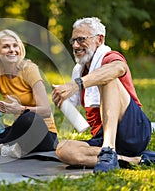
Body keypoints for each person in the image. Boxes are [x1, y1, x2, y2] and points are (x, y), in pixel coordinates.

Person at [51, 17, 152, 173]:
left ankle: (108, 149)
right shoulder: (80, 70)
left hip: (133, 130)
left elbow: (118, 68)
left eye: (81, 39)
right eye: (74, 41)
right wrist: (60, 99)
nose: (76, 45)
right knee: (63, 150)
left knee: (107, 78)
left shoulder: (109, 57)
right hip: (101, 135)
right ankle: (131, 160)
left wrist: (77, 84)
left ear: (99, 39)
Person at [0, 29, 58, 158]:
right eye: (6, 46)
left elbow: (46, 110)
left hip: (43, 134)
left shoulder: (29, 69)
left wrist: (21, 109)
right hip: (18, 135)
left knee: (29, 118)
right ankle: (2, 148)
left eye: (15, 45)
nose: (12, 50)